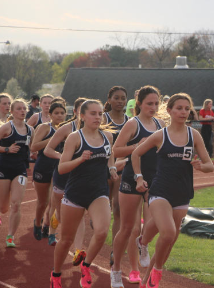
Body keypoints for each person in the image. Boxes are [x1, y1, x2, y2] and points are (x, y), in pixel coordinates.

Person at [133, 93, 214, 287]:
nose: (184, 112)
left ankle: (143, 249)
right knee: (168, 233)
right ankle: (158, 270)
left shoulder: (194, 135)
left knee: (169, 237)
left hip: (182, 191)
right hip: (160, 189)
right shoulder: (161, 135)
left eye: (187, 109)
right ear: (169, 110)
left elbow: (210, 165)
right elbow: (136, 153)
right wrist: (139, 178)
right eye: (179, 108)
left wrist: (201, 166)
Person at [50, 99, 119, 288]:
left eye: (100, 114)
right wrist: (80, 159)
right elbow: (62, 168)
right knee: (66, 240)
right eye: (93, 113)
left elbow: (109, 155)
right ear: (82, 116)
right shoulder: (75, 137)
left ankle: (86, 265)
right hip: (75, 193)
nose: (98, 117)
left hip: (98, 192)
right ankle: (56, 275)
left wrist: (112, 168)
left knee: (102, 231)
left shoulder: (107, 137)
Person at [110, 85, 166, 287]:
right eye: (149, 103)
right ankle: (116, 270)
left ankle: (143, 244)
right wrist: (138, 145)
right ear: (140, 104)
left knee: (154, 223)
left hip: (154, 179)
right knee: (127, 228)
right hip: (132, 178)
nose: (153, 107)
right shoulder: (133, 124)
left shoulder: (160, 124)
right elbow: (116, 150)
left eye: (156, 103)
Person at [44, 97, 88, 266]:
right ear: (77, 112)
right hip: (63, 174)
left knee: (80, 214)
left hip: (81, 177)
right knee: (61, 214)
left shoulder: (97, 131)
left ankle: (78, 250)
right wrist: (61, 156)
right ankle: (52, 230)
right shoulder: (66, 128)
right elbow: (48, 149)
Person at [0, 99, 34, 248]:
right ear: (12, 111)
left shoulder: (31, 129)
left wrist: (33, 155)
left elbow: (30, 149)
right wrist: (6, 149)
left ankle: (10, 236)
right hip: (2, 168)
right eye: (19, 109)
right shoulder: (6, 128)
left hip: (20, 170)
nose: (22, 111)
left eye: (24, 108)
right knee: (4, 208)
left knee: (16, 204)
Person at [31, 102, 66, 246]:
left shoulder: (68, 129)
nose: (59, 115)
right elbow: (34, 146)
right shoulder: (45, 127)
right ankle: (38, 223)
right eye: (56, 113)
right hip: (43, 166)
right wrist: (53, 139)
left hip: (58, 168)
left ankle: (51, 232)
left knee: (55, 202)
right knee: (43, 202)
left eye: (62, 113)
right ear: (50, 115)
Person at [103, 86, 129, 267]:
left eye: (123, 98)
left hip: (121, 169)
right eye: (116, 98)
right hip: (101, 169)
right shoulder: (101, 119)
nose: (120, 101)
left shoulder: (130, 122)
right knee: (105, 209)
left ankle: (114, 250)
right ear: (110, 99)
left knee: (118, 210)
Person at [0, 93, 12, 225]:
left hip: (5, 158)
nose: (7, 106)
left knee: (1, 189)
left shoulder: (11, 120)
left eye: (9, 103)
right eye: (4, 103)